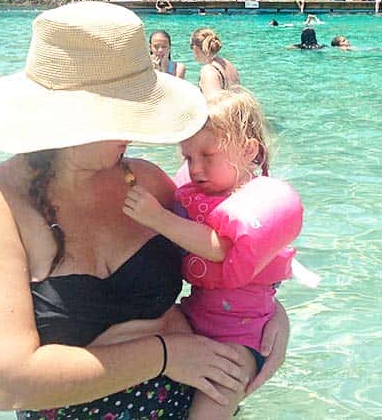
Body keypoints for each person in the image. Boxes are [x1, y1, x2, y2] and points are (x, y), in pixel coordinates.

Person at [0, 2, 288, 419]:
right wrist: (165, 356)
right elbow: (5, 382)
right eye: (123, 114)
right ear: (68, 116)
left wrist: (273, 320)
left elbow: (224, 262)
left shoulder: (145, 183)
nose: (135, 130)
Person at [123, 87, 303, 419]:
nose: (196, 168)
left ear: (249, 151)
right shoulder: (196, 196)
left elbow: (221, 249)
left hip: (243, 339)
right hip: (194, 318)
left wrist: (156, 217)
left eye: (208, 155)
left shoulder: (255, 202)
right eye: (188, 158)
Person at [191, 28, 240, 96]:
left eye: (191, 46)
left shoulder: (208, 70)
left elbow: (213, 102)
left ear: (195, 48)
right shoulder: (228, 64)